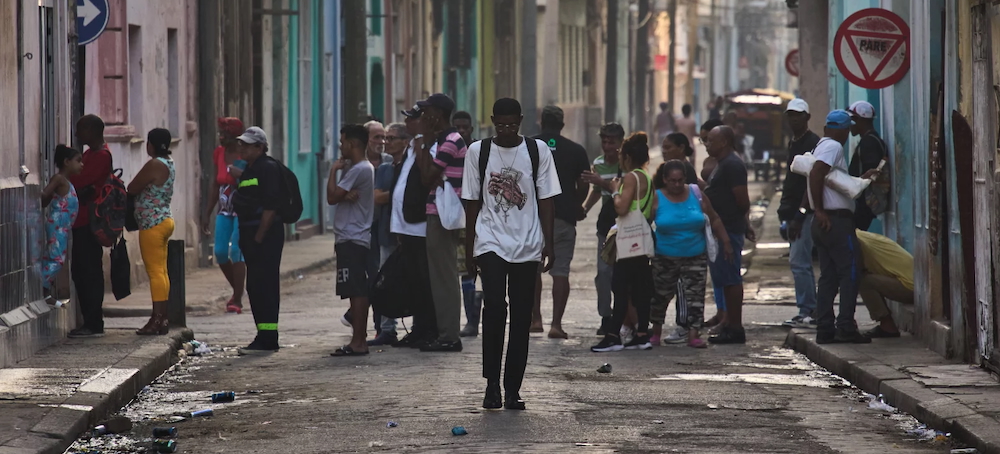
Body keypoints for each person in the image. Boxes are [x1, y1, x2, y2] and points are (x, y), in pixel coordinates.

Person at [462, 97, 560, 410]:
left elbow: (546, 199)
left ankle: (512, 387)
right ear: (492, 121)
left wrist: (549, 242)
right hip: (490, 241)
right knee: (493, 307)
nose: (505, 130)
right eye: (500, 124)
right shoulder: (479, 152)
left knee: (521, 317)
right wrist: (469, 249)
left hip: (527, 243)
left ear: (520, 121)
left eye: (511, 124)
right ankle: (491, 383)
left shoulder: (537, 150)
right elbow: (472, 202)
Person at [649, 160, 733, 348]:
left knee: (695, 296)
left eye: (680, 180)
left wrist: (726, 241)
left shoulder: (696, 194)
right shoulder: (656, 198)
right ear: (664, 180)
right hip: (664, 256)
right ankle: (655, 332)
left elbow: (714, 218)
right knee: (660, 295)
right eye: (672, 181)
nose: (677, 185)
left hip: (695, 254)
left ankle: (693, 335)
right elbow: (645, 223)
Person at [808, 110, 872, 344]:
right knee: (850, 272)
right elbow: (816, 174)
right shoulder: (833, 147)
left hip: (826, 222)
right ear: (842, 130)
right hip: (834, 222)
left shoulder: (821, 146)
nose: (847, 135)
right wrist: (820, 210)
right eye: (847, 130)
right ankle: (845, 326)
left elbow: (829, 180)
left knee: (829, 276)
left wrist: (861, 179)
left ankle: (825, 327)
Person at [527, 105, 590, 339]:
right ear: (562, 125)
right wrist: (576, 205)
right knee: (560, 272)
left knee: (533, 270)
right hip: (563, 217)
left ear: (540, 123)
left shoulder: (528, 146)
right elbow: (584, 183)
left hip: (533, 219)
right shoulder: (575, 150)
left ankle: (535, 320)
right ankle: (556, 324)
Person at [411, 93, 467, 353]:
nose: (423, 117)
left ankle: (449, 335)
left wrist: (422, 141)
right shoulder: (442, 140)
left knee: (444, 276)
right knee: (439, 275)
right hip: (436, 211)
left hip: (442, 215)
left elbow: (427, 176)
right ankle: (445, 331)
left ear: (439, 115)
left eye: (427, 112)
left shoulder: (451, 141)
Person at [590, 132, 654, 352]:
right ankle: (642, 334)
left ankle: (613, 336)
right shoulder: (646, 176)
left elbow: (621, 207)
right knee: (640, 289)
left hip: (628, 239)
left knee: (619, 286)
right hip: (642, 237)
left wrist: (614, 190)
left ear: (626, 157)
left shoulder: (630, 178)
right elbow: (652, 208)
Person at [232, 127, 285, 355]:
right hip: (251, 237)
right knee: (255, 287)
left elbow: (271, 207)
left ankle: (268, 337)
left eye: (247, 144)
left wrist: (259, 238)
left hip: (264, 238)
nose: (241, 147)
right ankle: (263, 335)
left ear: (260, 147)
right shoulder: (249, 169)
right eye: (241, 144)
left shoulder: (267, 169)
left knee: (265, 287)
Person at [342, 121, 395, 337]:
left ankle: (378, 326)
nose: (381, 142)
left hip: (382, 226)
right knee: (367, 276)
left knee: (379, 275)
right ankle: (369, 323)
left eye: (384, 137)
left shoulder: (389, 163)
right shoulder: (352, 164)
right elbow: (342, 193)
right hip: (361, 228)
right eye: (376, 137)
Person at [390, 105, 438, 348]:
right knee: (413, 282)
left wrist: (421, 146)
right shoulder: (410, 148)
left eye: (414, 118)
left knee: (425, 281)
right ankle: (418, 329)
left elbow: (427, 178)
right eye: (407, 119)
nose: (408, 122)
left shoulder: (429, 145)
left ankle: (431, 329)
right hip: (405, 225)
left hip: (420, 225)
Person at [328, 124, 376, 356]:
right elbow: (339, 196)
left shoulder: (359, 169)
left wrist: (333, 170)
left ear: (353, 144)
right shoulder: (357, 169)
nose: (341, 147)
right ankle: (358, 339)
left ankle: (359, 340)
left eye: (343, 142)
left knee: (357, 290)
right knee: (353, 288)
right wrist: (343, 194)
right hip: (350, 236)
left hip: (353, 237)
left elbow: (331, 197)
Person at [704, 125, 751, 345]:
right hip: (720, 228)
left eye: (711, 140)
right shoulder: (722, 164)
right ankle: (728, 322)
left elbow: (742, 200)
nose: (707, 144)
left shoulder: (732, 165)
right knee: (724, 278)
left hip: (729, 229)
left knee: (731, 278)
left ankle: (735, 327)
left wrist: (739, 222)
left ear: (723, 142)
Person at [127, 128, 176, 335]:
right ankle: (162, 318)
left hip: (152, 224)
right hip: (164, 220)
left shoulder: (154, 164)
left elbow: (132, 187)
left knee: (155, 273)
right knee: (161, 272)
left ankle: (157, 319)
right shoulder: (169, 163)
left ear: (151, 145)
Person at [68, 114, 112, 338]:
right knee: (81, 270)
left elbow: (78, 179)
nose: (77, 134)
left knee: (88, 271)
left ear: (93, 131)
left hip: (89, 221)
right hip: (81, 219)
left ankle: (93, 321)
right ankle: (91, 320)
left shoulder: (100, 156)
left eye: (81, 129)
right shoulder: (90, 154)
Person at [366, 122, 410, 347]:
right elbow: (377, 197)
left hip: (409, 231)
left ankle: (417, 326)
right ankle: (386, 329)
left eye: (392, 139)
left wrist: (392, 194)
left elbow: (389, 196)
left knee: (413, 280)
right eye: (386, 138)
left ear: (405, 141)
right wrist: (398, 194)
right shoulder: (385, 168)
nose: (386, 143)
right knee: (385, 281)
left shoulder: (410, 165)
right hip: (387, 231)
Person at [581, 123, 625, 335]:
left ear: (621, 143)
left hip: (626, 224)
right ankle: (606, 316)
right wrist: (585, 209)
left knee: (624, 274)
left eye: (612, 142)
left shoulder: (627, 165)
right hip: (606, 226)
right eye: (604, 141)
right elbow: (597, 191)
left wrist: (601, 181)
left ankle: (624, 316)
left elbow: (625, 192)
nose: (607, 146)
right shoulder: (598, 163)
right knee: (603, 273)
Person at [780, 99, 821, 329]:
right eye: (790, 115)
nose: (793, 119)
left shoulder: (811, 143)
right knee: (798, 261)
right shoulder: (794, 142)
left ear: (806, 117)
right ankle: (806, 309)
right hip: (793, 212)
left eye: (798, 115)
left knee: (800, 261)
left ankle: (809, 310)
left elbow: (810, 183)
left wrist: (800, 214)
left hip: (803, 214)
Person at [203, 117, 248, 314]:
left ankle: (237, 298)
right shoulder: (219, 153)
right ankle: (238, 289)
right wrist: (207, 212)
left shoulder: (244, 155)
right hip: (224, 209)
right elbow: (215, 183)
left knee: (236, 250)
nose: (221, 137)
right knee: (221, 251)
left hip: (242, 208)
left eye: (225, 134)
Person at [453, 112, 485, 338]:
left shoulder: (478, 151)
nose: (462, 131)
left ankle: (475, 319)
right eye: (458, 128)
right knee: (464, 270)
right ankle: (470, 320)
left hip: (480, 217)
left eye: (465, 127)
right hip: (456, 217)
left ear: (471, 128)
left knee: (477, 269)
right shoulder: (449, 151)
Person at [855, 230, 913, 338]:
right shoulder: (861, 235)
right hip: (913, 283)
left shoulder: (856, 242)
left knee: (864, 281)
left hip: (909, 286)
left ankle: (888, 326)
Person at [40, 145, 82, 293]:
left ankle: (44, 287)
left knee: (54, 257)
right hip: (58, 225)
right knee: (57, 260)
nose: (81, 165)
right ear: (67, 162)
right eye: (78, 161)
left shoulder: (66, 182)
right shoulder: (59, 179)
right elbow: (45, 195)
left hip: (63, 227)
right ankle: (42, 286)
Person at [848, 101, 887, 231]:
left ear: (860, 120)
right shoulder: (872, 140)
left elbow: (871, 175)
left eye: (852, 120)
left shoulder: (869, 143)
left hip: (863, 205)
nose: (850, 125)